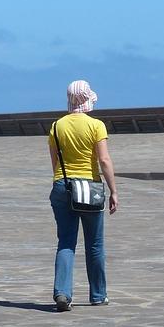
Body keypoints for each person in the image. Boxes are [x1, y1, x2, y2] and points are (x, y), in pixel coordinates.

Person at [48, 80, 119, 311]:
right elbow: (104, 160)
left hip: (62, 185)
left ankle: (62, 293)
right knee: (95, 244)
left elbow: (55, 162)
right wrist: (113, 190)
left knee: (66, 242)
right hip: (90, 187)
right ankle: (98, 295)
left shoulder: (56, 126)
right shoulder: (96, 125)